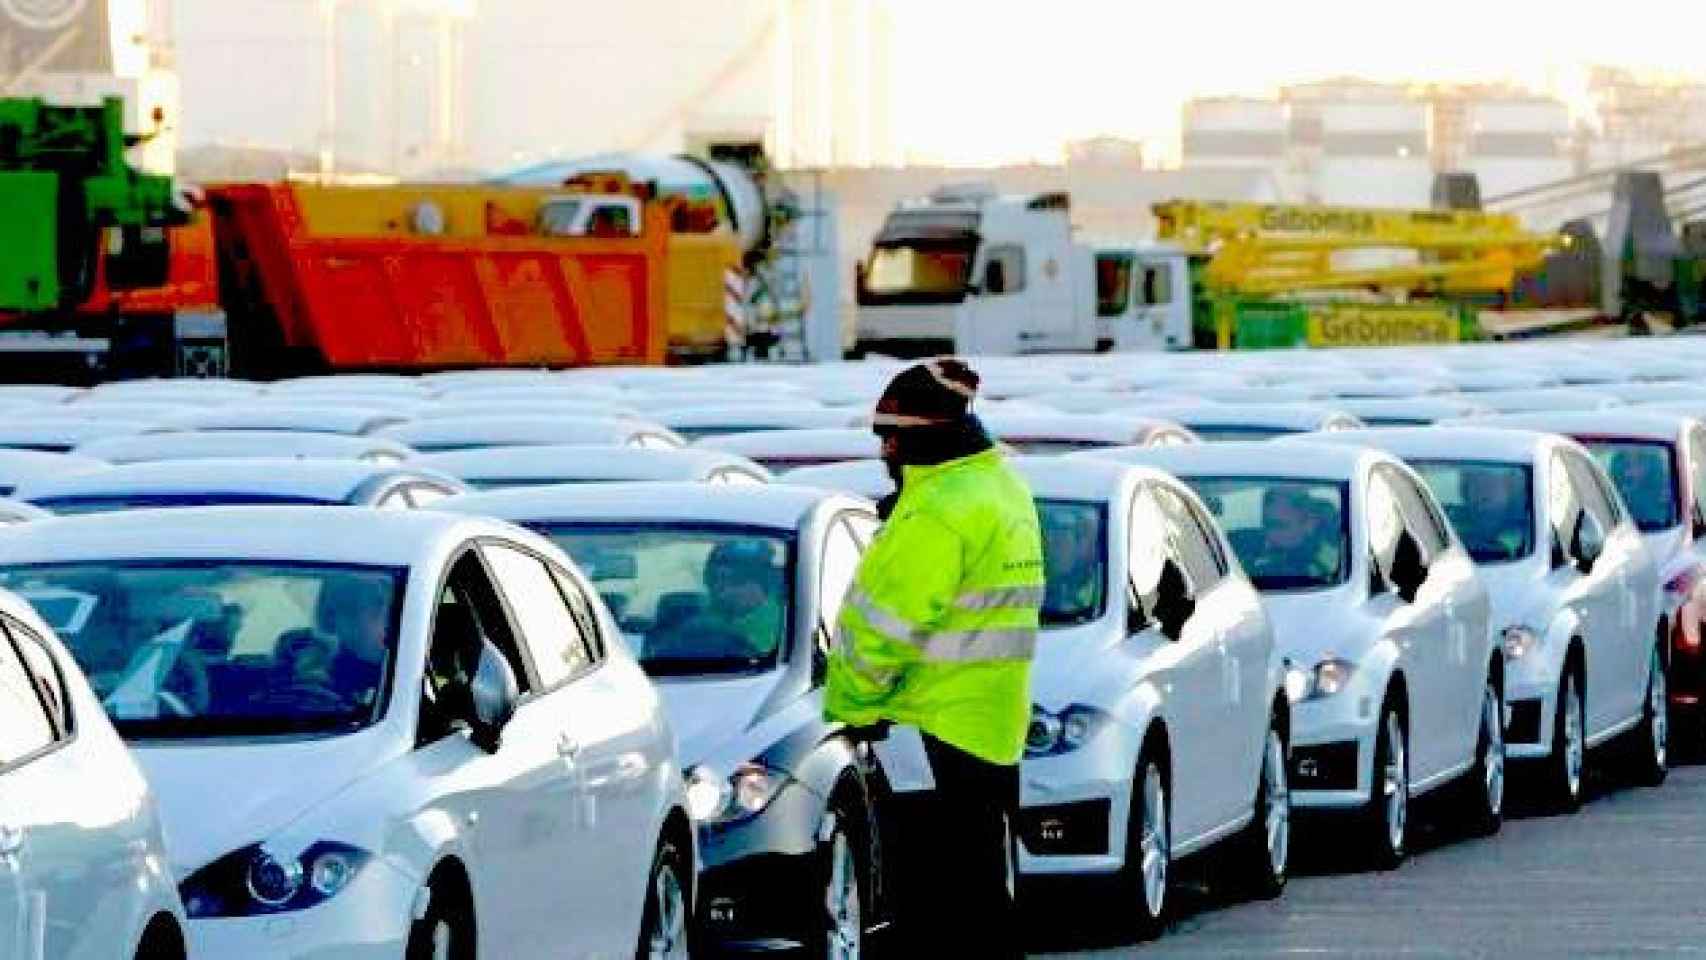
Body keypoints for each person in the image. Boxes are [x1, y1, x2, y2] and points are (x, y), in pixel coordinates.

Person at [824, 357, 1044, 957]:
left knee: (929, 913)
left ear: (924, 437)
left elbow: (882, 632)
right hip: (990, 727)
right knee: (983, 903)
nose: (885, 449)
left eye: (890, 436)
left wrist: (851, 705)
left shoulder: (938, 511)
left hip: (929, 733)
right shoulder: (1001, 489)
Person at [668, 540, 786, 661]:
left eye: (732, 579)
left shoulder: (782, 627)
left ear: (758, 584)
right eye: (713, 578)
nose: (720, 588)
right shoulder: (696, 614)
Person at [1247, 486, 1339, 582]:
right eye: (1267, 525)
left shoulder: (1328, 563)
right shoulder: (1253, 552)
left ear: (1310, 524)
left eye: (1279, 526)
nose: (1269, 535)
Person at [1041, 505, 1103, 623]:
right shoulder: (1038, 577)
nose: (1053, 547)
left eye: (1061, 542)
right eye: (1051, 538)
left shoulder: (1099, 581)